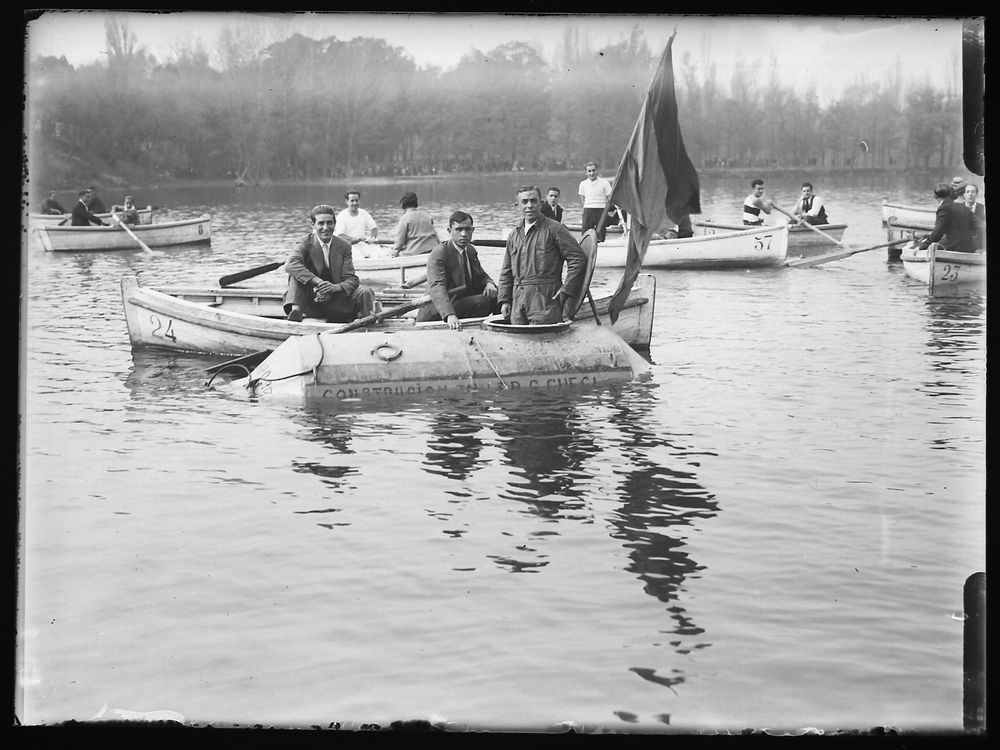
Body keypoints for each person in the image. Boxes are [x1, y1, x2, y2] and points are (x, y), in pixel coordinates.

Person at [499, 185, 588, 325]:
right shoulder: (514, 235)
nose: (529, 206)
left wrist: (567, 290)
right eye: (524, 202)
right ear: (517, 206)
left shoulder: (555, 229)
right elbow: (506, 271)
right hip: (518, 302)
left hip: (545, 301)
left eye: (533, 201)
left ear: (541, 204)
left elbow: (577, 259)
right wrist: (504, 300)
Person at [283, 203, 376, 323]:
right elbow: (290, 264)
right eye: (321, 223)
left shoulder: (344, 246)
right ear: (313, 225)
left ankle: (367, 324)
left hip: (337, 301)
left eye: (329, 223)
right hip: (312, 302)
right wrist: (318, 282)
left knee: (365, 292)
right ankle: (296, 312)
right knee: (296, 274)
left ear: (335, 224)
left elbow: (352, 279)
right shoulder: (304, 242)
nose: (326, 227)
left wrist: (335, 288)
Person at [415, 210, 500, 330]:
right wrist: (449, 315)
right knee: (483, 302)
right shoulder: (439, 254)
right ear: (449, 231)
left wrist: (489, 283)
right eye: (459, 229)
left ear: (473, 230)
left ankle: (503, 328)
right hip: (439, 310)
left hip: (461, 301)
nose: (464, 234)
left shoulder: (470, 250)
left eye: (467, 229)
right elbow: (437, 287)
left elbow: (481, 274)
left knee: (500, 294)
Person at [918, 182, 978, 254]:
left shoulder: (943, 208)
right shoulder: (964, 207)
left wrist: (922, 246)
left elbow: (937, 233)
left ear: (935, 196)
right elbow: (979, 226)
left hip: (951, 249)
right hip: (969, 249)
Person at [391, 191, 439, 257]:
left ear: (403, 204)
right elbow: (436, 237)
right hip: (433, 251)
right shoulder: (427, 216)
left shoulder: (404, 219)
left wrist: (394, 253)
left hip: (414, 253)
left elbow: (400, 241)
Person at [578, 162, 614, 241]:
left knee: (600, 233)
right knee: (586, 232)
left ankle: (601, 247)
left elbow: (609, 197)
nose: (592, 173)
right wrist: (587, 206)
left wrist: (605, 209)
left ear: (597, 171)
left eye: (593, 170)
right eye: (589, 171)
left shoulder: (604, 182)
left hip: (600, 210)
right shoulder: (583, 184)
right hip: (588, 209)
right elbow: (582, 198)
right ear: (586, 172)